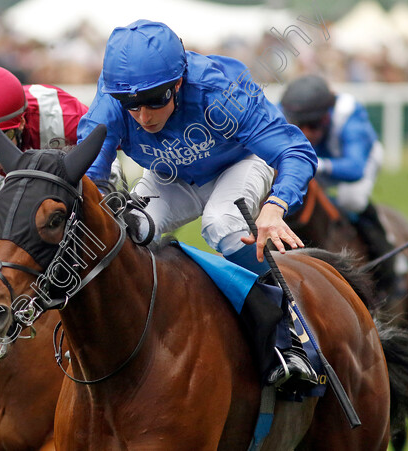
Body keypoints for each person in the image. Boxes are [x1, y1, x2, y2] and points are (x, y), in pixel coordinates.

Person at [78, 20, 319, 392]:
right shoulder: (110, 100)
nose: (143, 116)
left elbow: (296, 151)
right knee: (128, 233)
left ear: (178, 83)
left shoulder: (222, 90)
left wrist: (275, 204)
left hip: (238, 165)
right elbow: (90, 178)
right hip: (169, 177)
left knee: (220, 224)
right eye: (132, 105)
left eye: (156, 99)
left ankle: (288, 337)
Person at [280, 75, 401, 297]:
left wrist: (315, 164)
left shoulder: (350, 116)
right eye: (299, 125)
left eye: (313, 125)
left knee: (352, 200)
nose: (306, 132)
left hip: (359, 160)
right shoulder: (281, 111)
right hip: (316, 161)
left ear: (327, 116)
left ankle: (390, 262)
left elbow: (355, 169)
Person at [0, 64, 124, 188]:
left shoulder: (66, 117)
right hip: (18, 173)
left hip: (80, 169)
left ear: (21, 123)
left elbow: (115, 141)